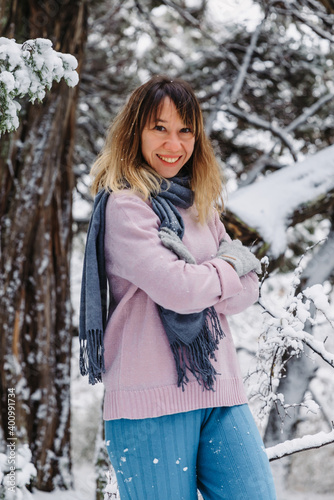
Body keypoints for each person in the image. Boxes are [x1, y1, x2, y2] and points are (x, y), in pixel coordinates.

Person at [79, 75, 277, 500]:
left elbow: (249, 290)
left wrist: (208, 275)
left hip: (219, 387)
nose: (174, 144)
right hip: (149, 400)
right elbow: (179, 289)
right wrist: (228, 266)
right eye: (160, 128)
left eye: (185, 130)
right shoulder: (126, 206)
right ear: (136, 131)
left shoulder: (201, 205)